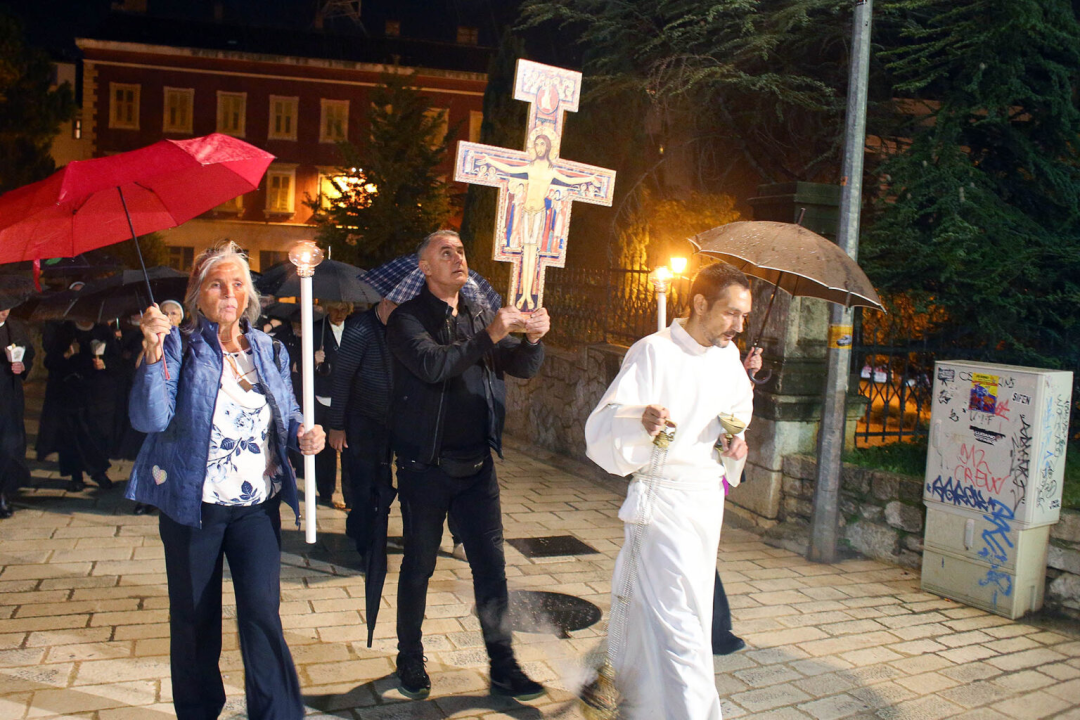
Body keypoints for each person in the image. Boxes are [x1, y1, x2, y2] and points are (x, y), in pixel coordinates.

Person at [126, 241, 325, 720]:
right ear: (198, 294)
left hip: (257, 507)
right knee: (196, 621)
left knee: (262, 612)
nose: (229, 292)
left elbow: (288, 411)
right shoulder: (178, 346)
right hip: (195, 509)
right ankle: (198, 711)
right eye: (217, 283)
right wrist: (153, 355)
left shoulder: (268, 348)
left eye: (238, 283)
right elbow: (148, 418)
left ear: (250, 295)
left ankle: (277, 712)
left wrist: (304, 433)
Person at [584, 262, 754, 720]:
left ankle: (640, 702)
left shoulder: (729, 359)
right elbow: (604, 423)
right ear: (700, 303)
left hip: (705, 502)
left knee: (682, 609)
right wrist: (639, 419)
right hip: (661, 501)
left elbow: (735, 416)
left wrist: (733, 443)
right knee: (679, 620)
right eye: (730, 313)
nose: (738, 326)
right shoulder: (652, 352)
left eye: (744, 317)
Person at [387, 229, 549, 700]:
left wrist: (534, 340)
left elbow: (520, 366)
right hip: (426, 466)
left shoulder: (478, 313)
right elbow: (435, 365)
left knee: (492, 570)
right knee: (418, 566)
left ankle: (503, 666)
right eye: (445, 252)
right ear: (425, 267)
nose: (458, 257)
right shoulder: (406, 319)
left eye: (461, 249)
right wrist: (491, 333)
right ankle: (410, 657)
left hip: (478, 467)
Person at [327, 297, 396, 553]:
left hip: (392, 419)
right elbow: (342, 378)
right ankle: (365, 538)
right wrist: (336, 425)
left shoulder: (402, 327)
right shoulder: (360, 328)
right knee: (364, 480)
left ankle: (366, 527)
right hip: (361, 419)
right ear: (386, 302)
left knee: (383, 480)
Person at [44, 320, 119, 491]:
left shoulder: (103, 332)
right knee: (71, 436)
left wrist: (104, 364)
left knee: (95, 434)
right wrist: (65, 357)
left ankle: (99, 472)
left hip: (96, 394)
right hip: (70, 393)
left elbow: (117, 359)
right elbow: (50, 361)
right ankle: (75, 476)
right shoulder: (65, 331)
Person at [312, 301, 352, 506]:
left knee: (348, 449)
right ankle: (326, 492)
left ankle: (349, 496)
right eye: (336, 309)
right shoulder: (316, 329)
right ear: (328, 309)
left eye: (344, 309)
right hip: (323, 396)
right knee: (325, 449)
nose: (340, 313)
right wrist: (314, 360)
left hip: (348, 398)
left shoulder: (354, 328)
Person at [0, 303, 35, 518]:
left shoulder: (16, 328)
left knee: (9, 446)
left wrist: (22, 367)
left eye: (7, 307)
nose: (4, 311)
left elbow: (28, 354)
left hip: (9, 396)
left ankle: (3, 491)